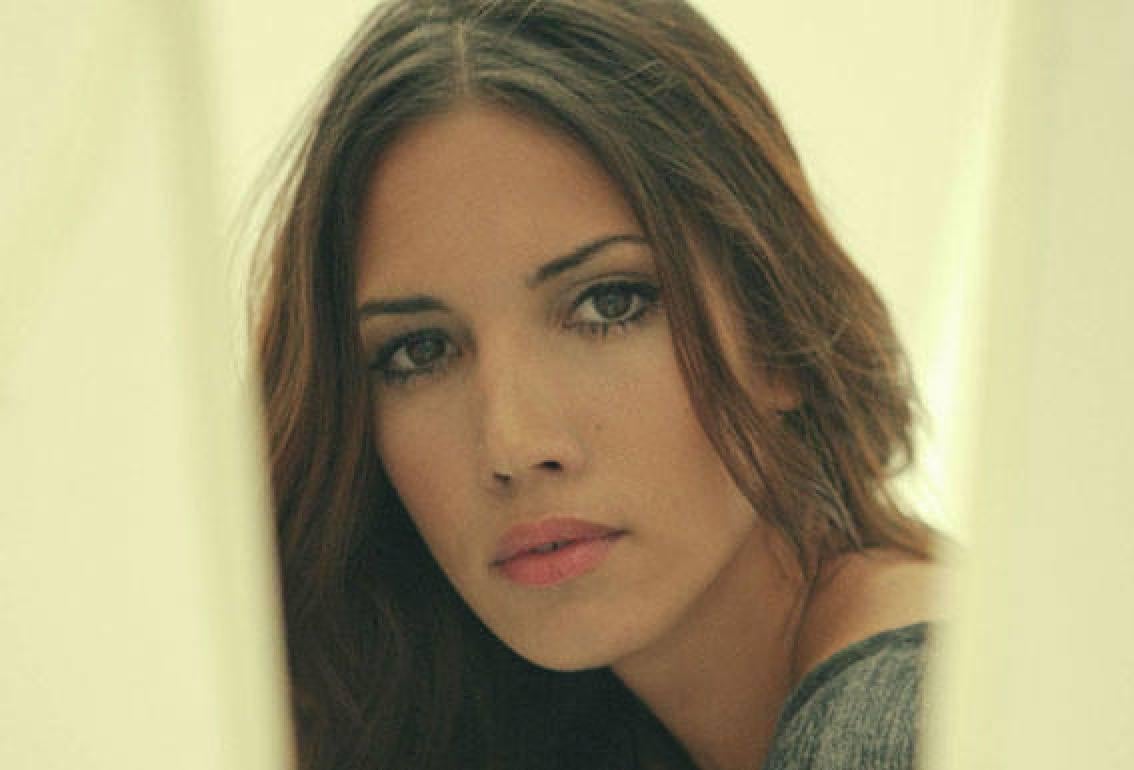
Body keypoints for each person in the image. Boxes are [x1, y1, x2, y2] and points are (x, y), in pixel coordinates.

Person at [251, 1, 948, 768]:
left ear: (776, 327)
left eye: (608, 305)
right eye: (420, 352)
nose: (513, 444)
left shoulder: (899, 724)